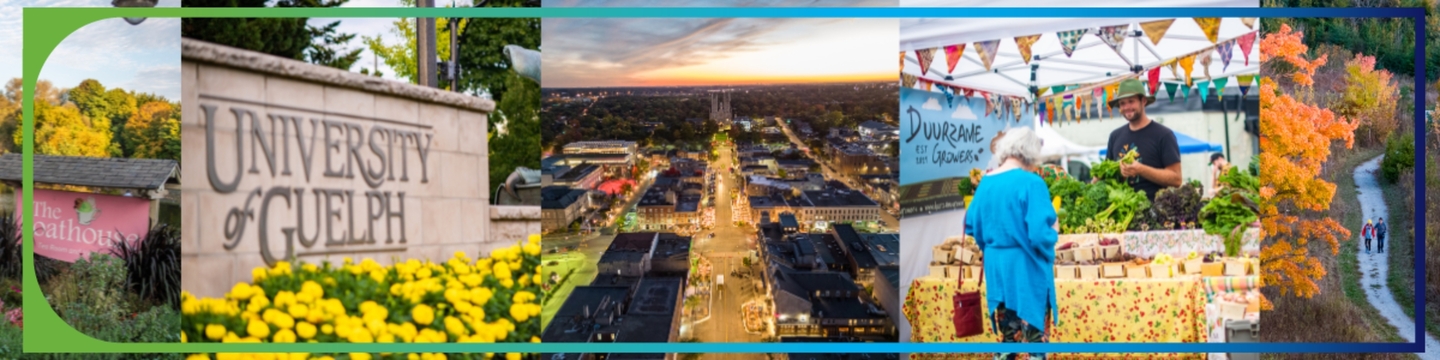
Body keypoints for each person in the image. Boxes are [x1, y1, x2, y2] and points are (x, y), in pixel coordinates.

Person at [963, 127, 1058, 358]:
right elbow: (1039, 234)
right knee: (1034, 342)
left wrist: (994, 246)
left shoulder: (985, 183)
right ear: (1031, 153)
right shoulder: (1031, 182)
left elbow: (972, 226)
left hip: (997, 269)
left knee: (1008, 339)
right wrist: (1054, 230)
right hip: (1026, 269)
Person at [1106, 78, 1183, 200]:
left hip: (1156, 214)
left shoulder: (1163, 135)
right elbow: (1107, 175)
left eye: (1131, 101)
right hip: (1121, 214)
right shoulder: (1115, 136)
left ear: (1143, 101)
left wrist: (1141, 169)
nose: (1126, 107)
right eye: (1122, 103)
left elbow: (1176, 179)